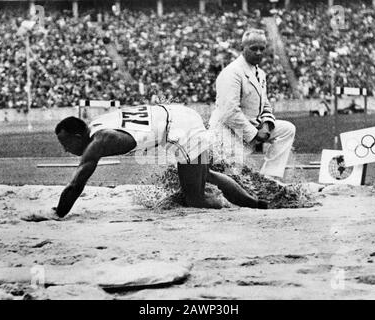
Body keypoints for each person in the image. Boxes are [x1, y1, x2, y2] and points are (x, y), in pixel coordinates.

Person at [23, 104, 268, 222]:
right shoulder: (98, 123)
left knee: (194, 198)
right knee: (207, 175)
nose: (66, 150)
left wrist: (57, 212)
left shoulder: (99, 141)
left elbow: (77, 183)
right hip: (181, 114)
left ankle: (223, 206)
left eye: (66, 144)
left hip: (181, 130)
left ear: (79, 136)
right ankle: (256, 204)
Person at [209, 29, 296, 180]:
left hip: (252, 126)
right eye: (253, 48)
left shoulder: (260, 73)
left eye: (262, 49)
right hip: (227, 132)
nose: (258, 52)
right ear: (242, 48)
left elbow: (265, 103)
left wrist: (267, 124)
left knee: (287, 129)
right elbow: (229, 112)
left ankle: (270, 177)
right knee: (232, 180)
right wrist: (255, 134)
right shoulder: (232, 72)